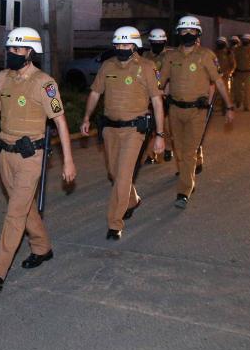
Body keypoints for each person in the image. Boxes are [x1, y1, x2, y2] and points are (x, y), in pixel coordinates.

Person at [0, 28, 76, 292]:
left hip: (31, 156)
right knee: (24, 208)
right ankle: (42, 248)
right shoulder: (4, 78)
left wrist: (68, 161)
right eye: (10, 49)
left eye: (18, 50)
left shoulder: (45, 83)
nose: (12, 54)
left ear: (30, 52)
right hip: (4, 155)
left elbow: (60, 122)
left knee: (14, 213)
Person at [80, 26, 165, 240]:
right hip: (109, 128)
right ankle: (132, 200)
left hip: (134, 130)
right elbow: (95, 93)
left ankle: (114, 223)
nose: (121, 48)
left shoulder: (147, 67)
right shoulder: (107, 66)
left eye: (126, 44)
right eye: (118, 44)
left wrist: (160, 135)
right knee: (114, 172)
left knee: (124, 175)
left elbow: (157, 101)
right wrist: (86, 117)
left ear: (135, 45)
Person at [161, 16, 233, 208]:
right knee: (180, 151)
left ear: (198, 33)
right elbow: (160, 83)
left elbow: (218, 81)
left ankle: (183, 192)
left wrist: (229, 106)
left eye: (191, 31)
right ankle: (188, 178)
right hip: (175, 110)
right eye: (184, 31)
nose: (187, 34)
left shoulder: (206, 55)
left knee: (189, 152)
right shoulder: (171, 56)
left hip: (196, 112)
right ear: (178, 33)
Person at [142, 28, 173, 164]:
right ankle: (150, 154)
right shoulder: (145, 56)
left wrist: (167, 95)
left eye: (160, 42)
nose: (157, 44)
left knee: (164, 126)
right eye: (155, 42)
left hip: (164, 95)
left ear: (164, 42)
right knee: (149, 127)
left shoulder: (169, 56)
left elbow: (171, 78)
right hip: (148, 96)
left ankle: (168, 148)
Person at [232, 33, 250, 111]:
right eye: (244, 40)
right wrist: (233, 70)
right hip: (238, 72)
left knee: (248, 90)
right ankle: (238, 101)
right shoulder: (237, 49)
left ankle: (246, 105)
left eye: (247, 40)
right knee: (237, 89)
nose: (245, 41)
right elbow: (233, 60)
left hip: (248, 73)